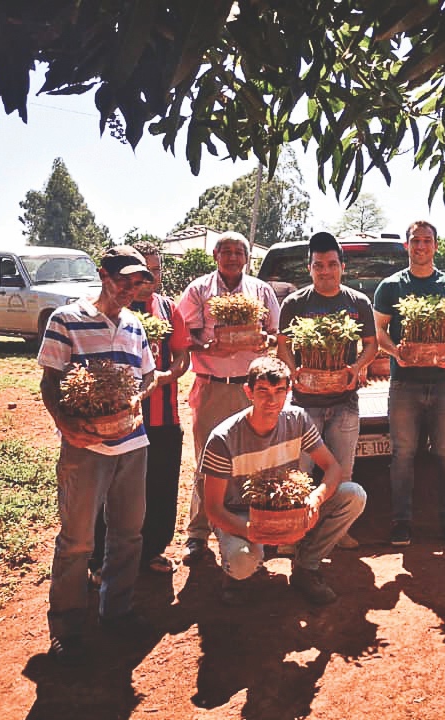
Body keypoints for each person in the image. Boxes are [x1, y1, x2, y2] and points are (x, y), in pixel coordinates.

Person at [37, 245, 157, 664]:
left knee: (128, 533)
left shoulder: (135, 325)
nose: (130, 288)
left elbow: (149, 376)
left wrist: (137, 399)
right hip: (85, 446)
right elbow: (50, 382)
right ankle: (67, 625)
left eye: (138, 281)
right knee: (77, 540)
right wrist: (67, 426)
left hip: (132, 442)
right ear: (103, 274)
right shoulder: (66, 319)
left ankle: (116, 612)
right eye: (123, 279)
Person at [199, 356, 367, 605]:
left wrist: (314, 499)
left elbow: (333, 468)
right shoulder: (223, 438)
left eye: (279, 391)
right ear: (248, 392)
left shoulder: (297, 419)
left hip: (285, 509)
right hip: (241, 514)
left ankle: (305, 568)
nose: (271, 400)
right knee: (242, 562)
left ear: (288, 391)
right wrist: (253, 531)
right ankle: (236, 575)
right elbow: (213, 509)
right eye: (263, 391)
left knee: (354, 495)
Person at [89, 241, 191, 584]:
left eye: (154, 270)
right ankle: (99, 558)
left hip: (162, 416)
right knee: (109, 489)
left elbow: (182, 355)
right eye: (139, 271)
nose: (146, 279)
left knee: (160, 486)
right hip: (115, 417)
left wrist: (166, 376)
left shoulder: (168, 308)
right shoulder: (111, 309)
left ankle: (152, 550)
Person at [176, 232, 280, 566]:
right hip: (212, 387)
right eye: (227, 252)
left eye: (239, 252)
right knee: (209, 460)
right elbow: (180, 333)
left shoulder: (260, 290)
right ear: (216, 255)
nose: (233, 257)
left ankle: (254, 527)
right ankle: (197, 535)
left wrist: (265, 339)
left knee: (252, 459)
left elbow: (277, 332)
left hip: (252, 389)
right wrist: (204, 347)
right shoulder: (199, 290)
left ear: (247, 258)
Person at [373, 220, 445, 547]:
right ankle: (401, 522)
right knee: (403, 455)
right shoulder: (391, 287)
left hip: (443, 384)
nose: (421, 246)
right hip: (404, 385)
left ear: (436, 246)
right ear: (407, 245)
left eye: (427, 241)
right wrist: (395, 353)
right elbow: (379, 332)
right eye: (415, 241)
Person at [276, 231, 378, 549]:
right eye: (319, 265)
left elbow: (372, 346)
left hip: (345, 402)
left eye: (332, 264)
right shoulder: (295, 303)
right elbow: (283, 345)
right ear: (310, 268)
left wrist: (356, 368)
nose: (326, 271)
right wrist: (294, 372)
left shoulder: (357, 302)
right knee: (301, 471)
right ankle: (293, 533)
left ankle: (336, 531)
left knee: (342, 471)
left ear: (342, 267)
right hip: (305, 405)